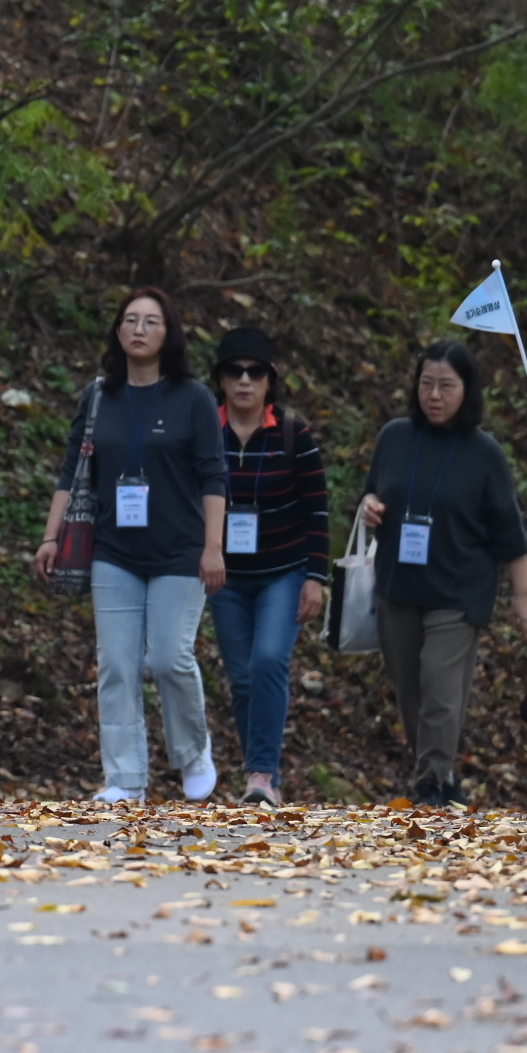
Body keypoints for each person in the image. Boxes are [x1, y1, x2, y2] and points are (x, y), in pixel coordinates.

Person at [35, 288, 226, 805]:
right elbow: (72, 471)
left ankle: (192, 753)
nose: (139, 330)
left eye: (151, 322)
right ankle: (125, 778)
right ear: (118, 331)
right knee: (117, 665)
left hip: (179, 552)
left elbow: (213, 476)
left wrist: (214, 547)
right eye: (130, 321)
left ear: (169, 334)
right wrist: (51, 537)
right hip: (113, 551)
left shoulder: (194, 398)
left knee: (169, 659)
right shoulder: (100, 396)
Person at [357, 341, 527, 807]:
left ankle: (429, 783)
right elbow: (372, 495)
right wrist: (370, 508)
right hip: (399, 585)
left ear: (467, 391)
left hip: (458, 591)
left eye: (446, 386)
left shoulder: (484, 453)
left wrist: (522, 595)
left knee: (439, 685)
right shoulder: (394, 437)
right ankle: (440, 772)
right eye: (427, 384)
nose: (434, 395)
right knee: (410, 691)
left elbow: (509, 532)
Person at [204, 327, 331, 808]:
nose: (243, 381)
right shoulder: (205, 433)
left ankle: (262, 775)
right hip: (226, 576)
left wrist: (316, 578)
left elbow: (318, 510)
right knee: (240, 678)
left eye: (254, 372)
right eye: (233, 371)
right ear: (220, 378)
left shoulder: (294, 434)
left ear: (269, 380)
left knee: (268, 661)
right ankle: (256, 769)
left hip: (284, 570)